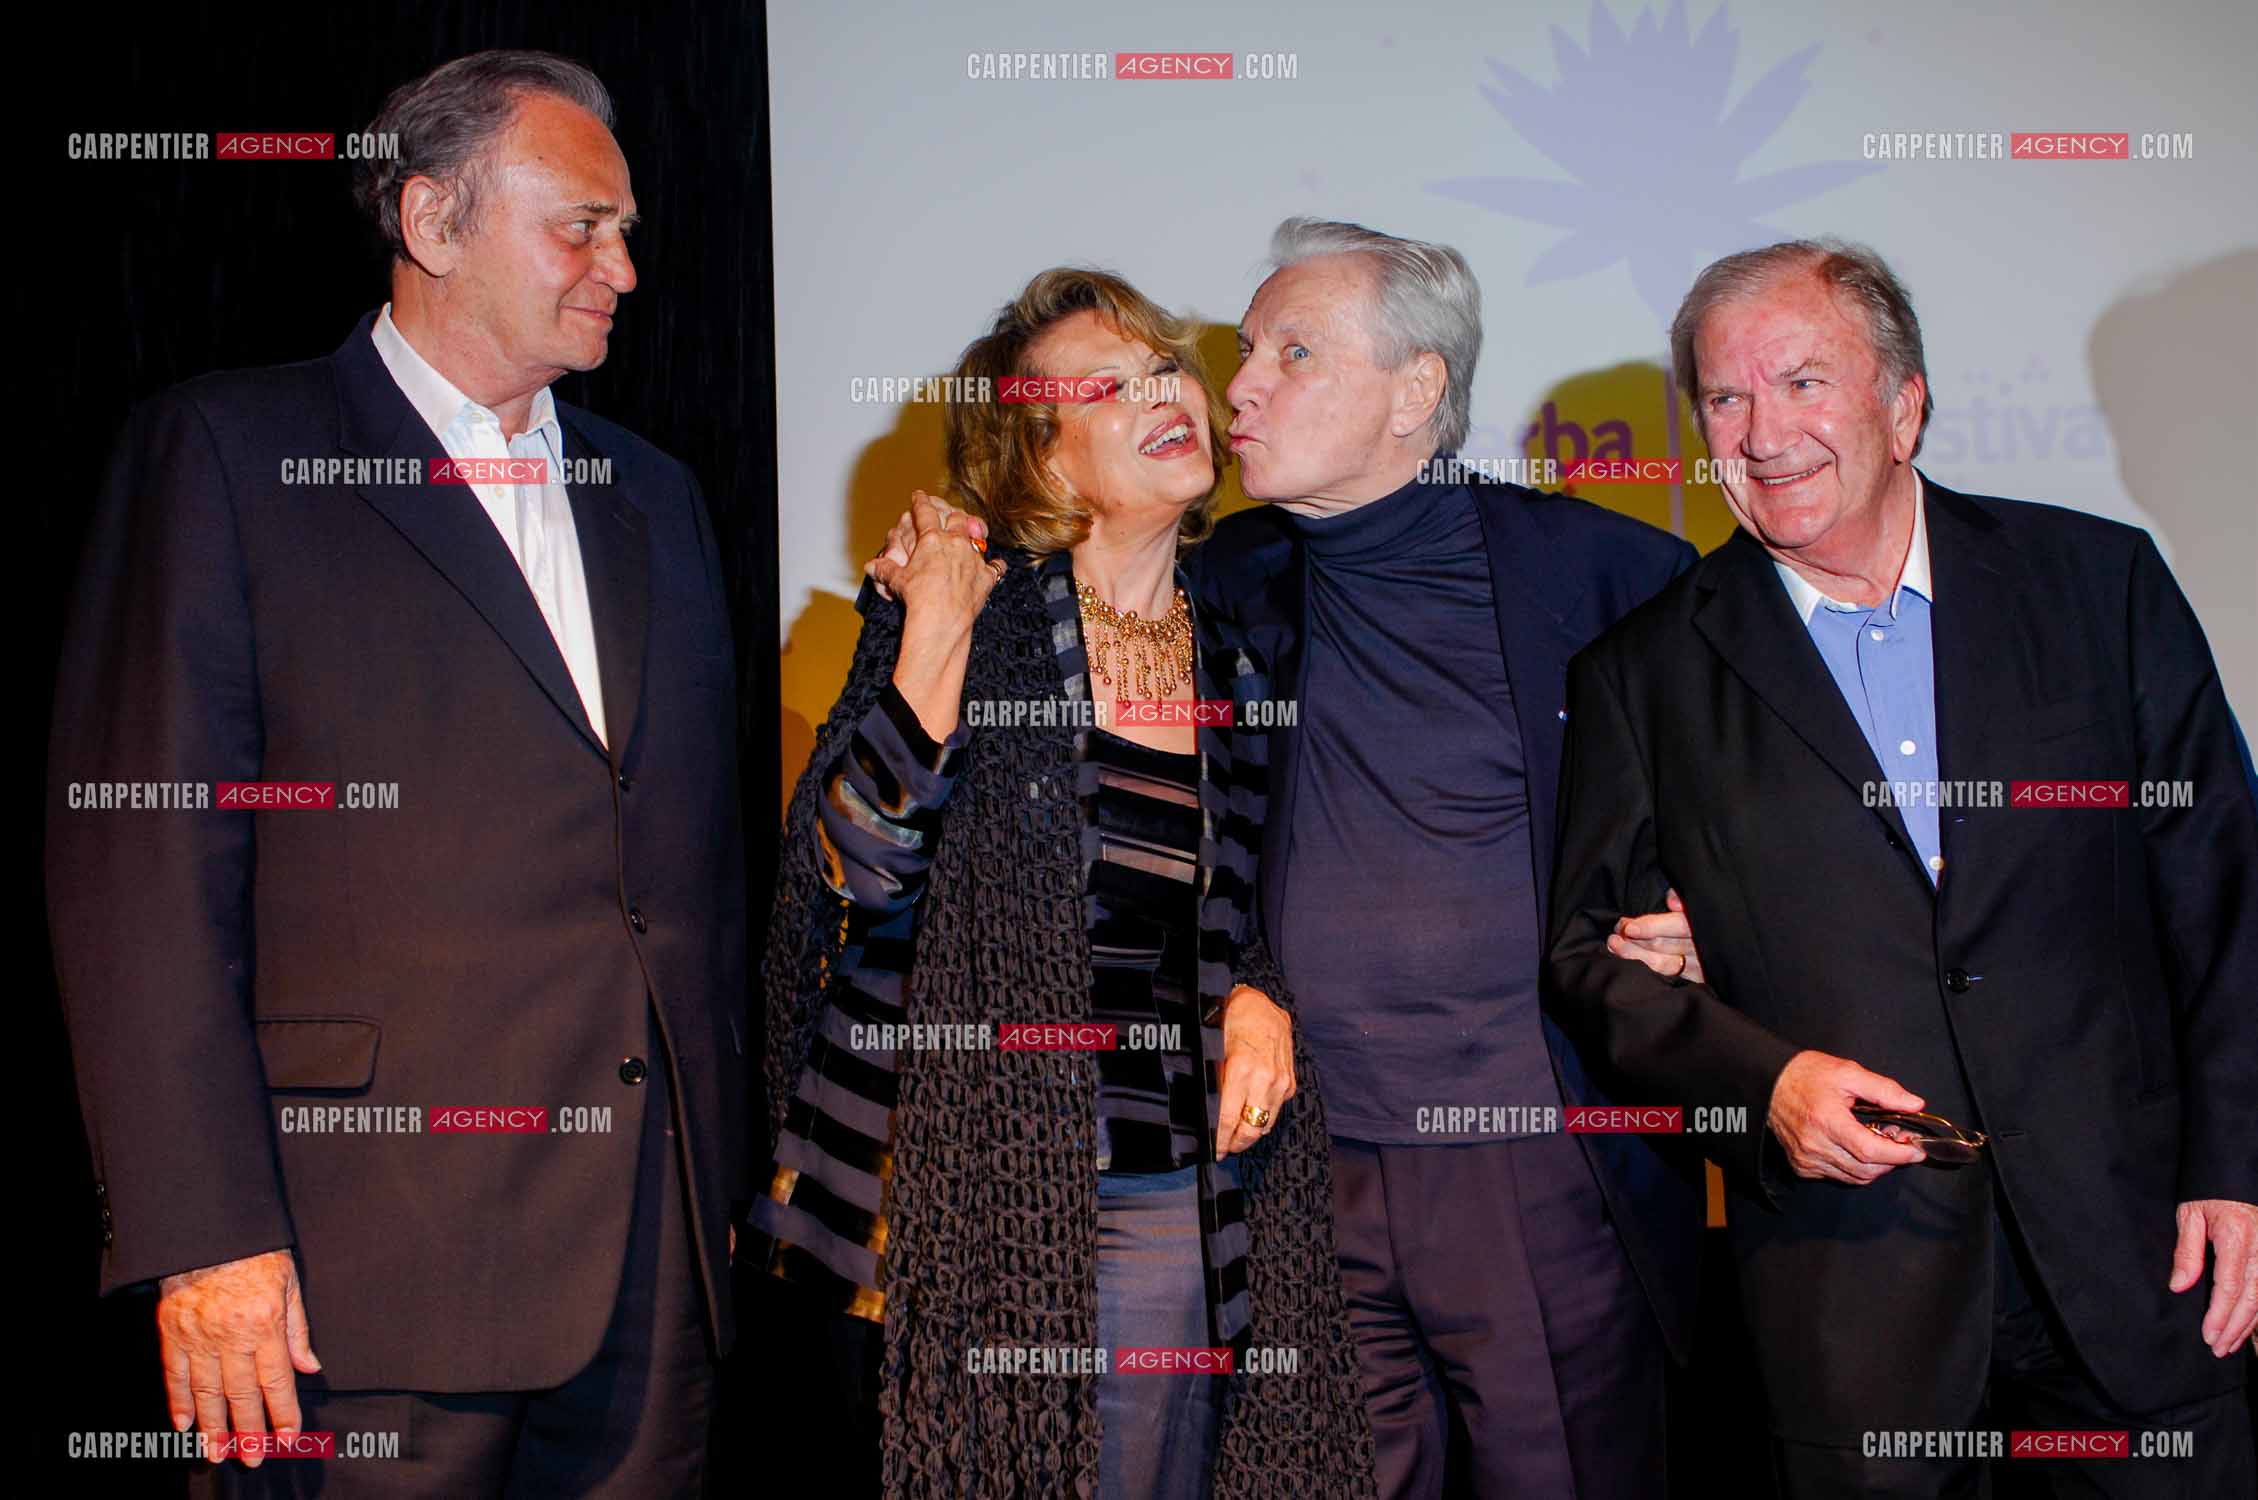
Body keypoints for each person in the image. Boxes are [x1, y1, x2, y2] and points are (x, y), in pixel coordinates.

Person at [46, 51, 747, 1497]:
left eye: (627, 231)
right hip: (347, 1279)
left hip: (643, 1275)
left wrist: (708, 1188)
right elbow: (142, 876)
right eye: (581, 225)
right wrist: (201, 1234)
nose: (622, 265)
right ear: (433, 223)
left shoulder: (656, 498)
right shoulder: (228, 454)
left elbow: (686, 880)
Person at [1545, 237, 2258, 1497]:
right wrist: (1761, 1084)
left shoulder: (2099, 586)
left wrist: (2235, 1175)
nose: (1763, 433)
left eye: (1804, 382)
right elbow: (1593, 964)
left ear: (1903, 402)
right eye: (1723, 397)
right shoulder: (1640, 675)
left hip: (2136, 1266)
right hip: (1853, 1308)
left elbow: (2222, 899)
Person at [755, 267, 1378, 1498]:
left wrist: (1257, 995)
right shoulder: (967, 616)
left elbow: (1245, 911)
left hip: (1158, 1178)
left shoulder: (1239, 658)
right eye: (1109, 384)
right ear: (1039, 458)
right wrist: (934, 622)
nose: (1166, 395)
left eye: (1164, 367)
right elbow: (858, 863)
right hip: (939, 1190)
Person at [1188, 217, 1709, 1500]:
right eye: (1245, 350)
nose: (1238, 386)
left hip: (1531, 1160)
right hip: (1299, 1168)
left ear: (1416, 387)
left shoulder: (1608, 577)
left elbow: (1737, 817)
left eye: (1292, 352)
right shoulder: (1215, 584)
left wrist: (1709, 914)